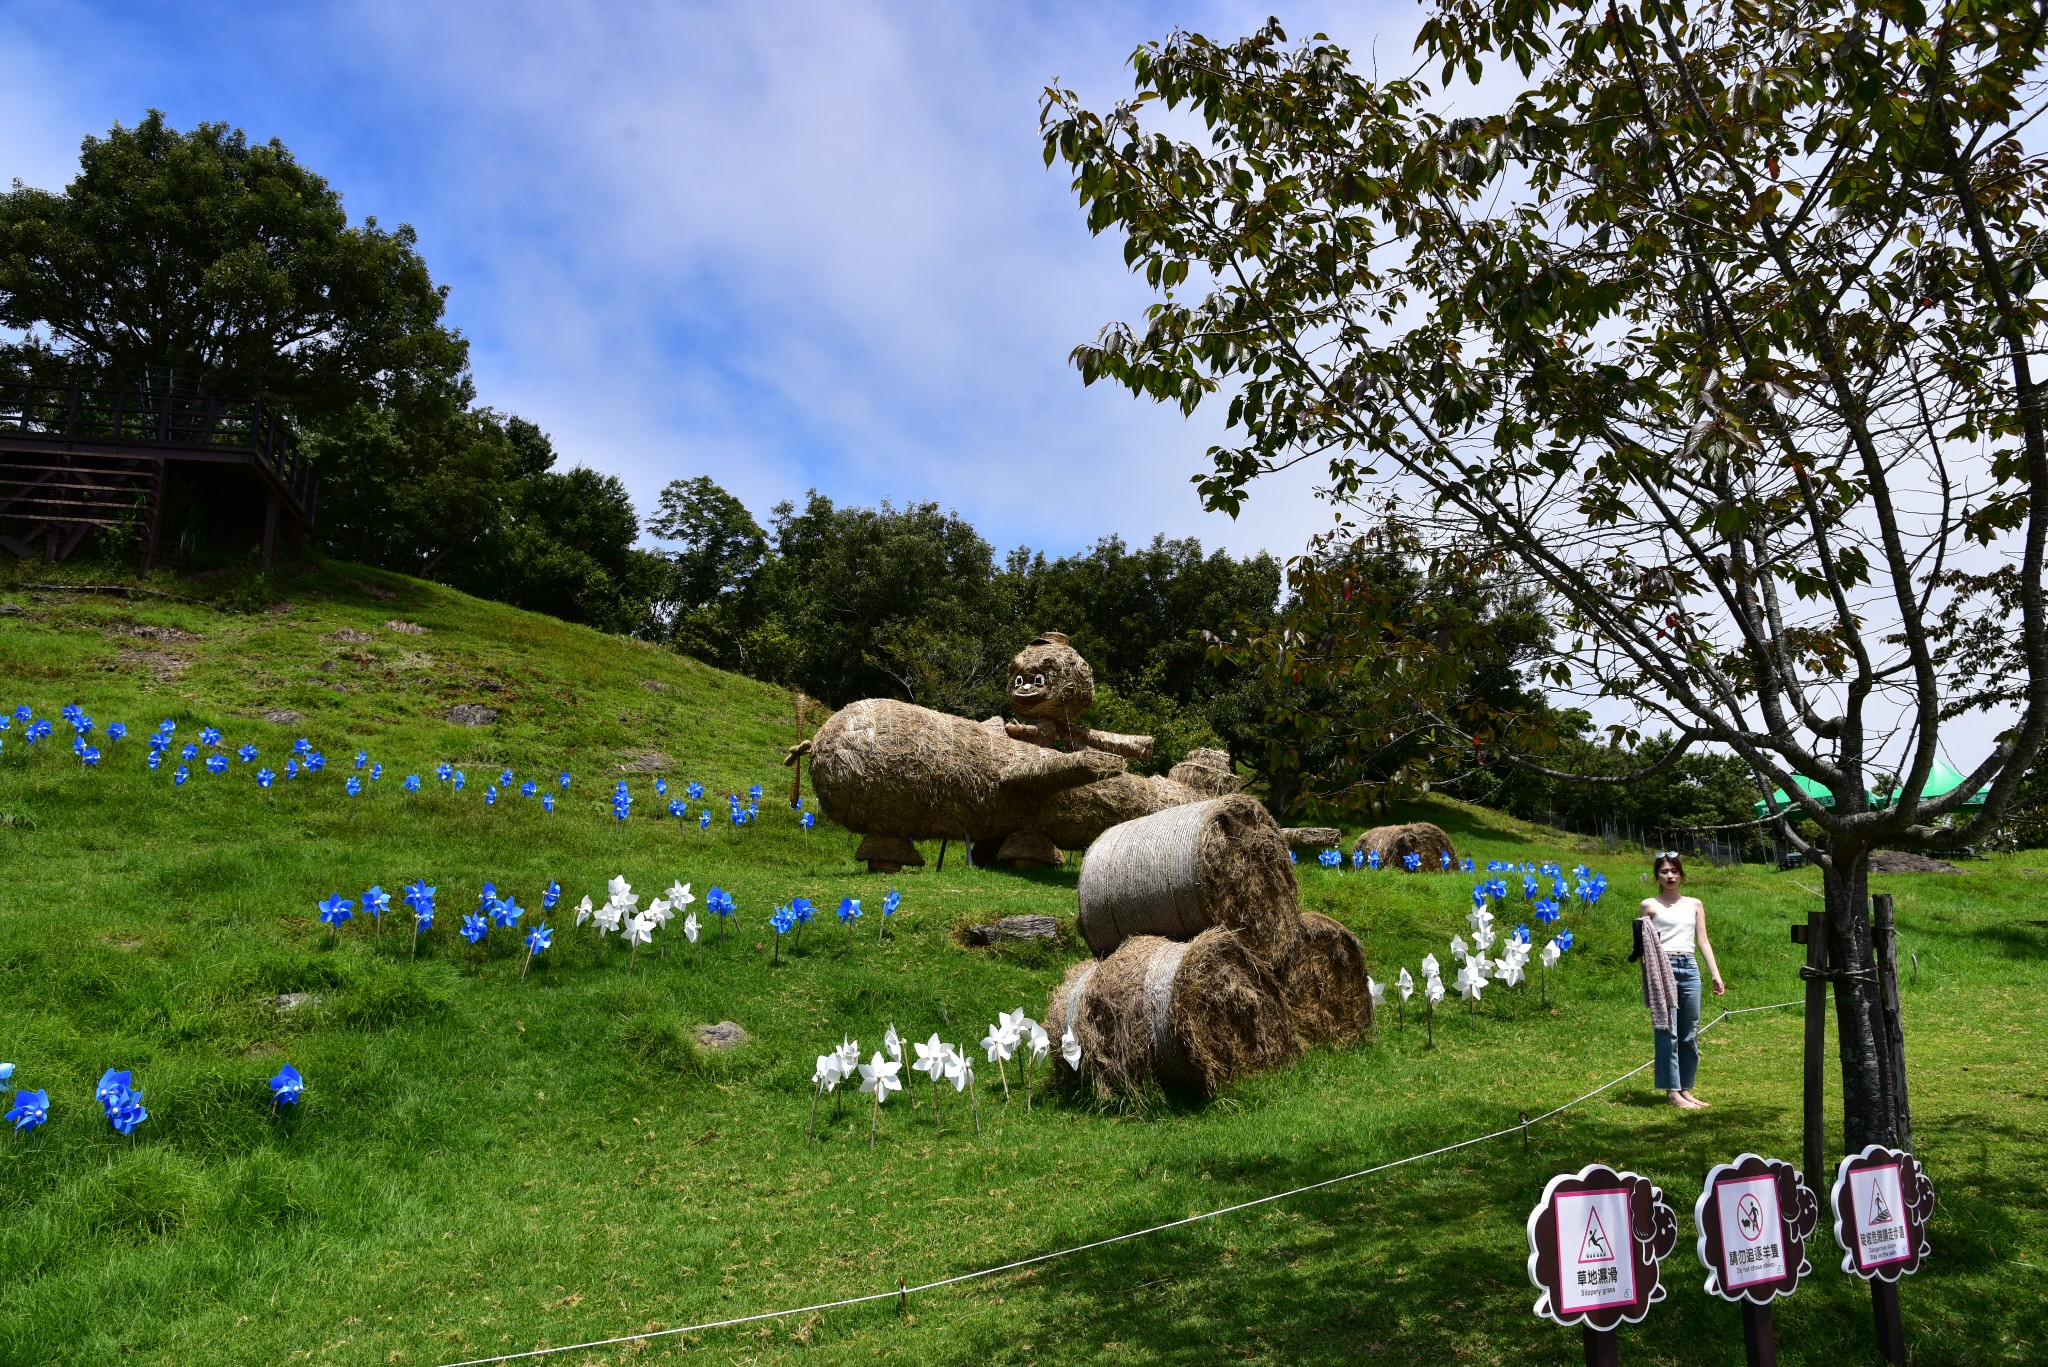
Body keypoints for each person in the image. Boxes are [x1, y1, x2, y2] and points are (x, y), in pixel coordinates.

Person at [1634, 852, 1724, 1109]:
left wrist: (1715, 974)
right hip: (1664, 968)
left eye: (1674, 871)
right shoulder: (1649, 905)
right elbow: (1644, 945)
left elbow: (1703, 941)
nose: (1670, 876)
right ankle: (1671, 1091)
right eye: (1664, 871)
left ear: (1681, 874)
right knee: (1667, 1031)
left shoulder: (1695, 904)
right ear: (1657, 876)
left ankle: (1686, 1089)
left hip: (1690, 967)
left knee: (1689, 1032)